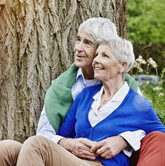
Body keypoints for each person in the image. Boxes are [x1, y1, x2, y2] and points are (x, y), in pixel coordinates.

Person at [0, 18, 164, 165]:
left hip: (101, 164)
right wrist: (69, 144)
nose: (79, 48)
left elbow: (158, 137)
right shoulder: (85, 95)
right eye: (78, 40)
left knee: (37, 144)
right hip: (72, 159)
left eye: (104, 55)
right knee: (6, 148)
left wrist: (124, 140)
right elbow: (59, 135)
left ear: (122, 65)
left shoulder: (136, 101)